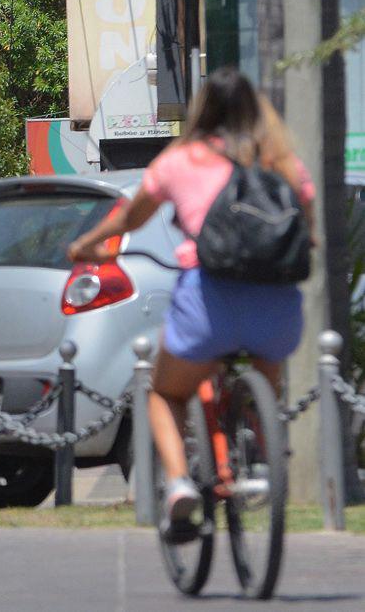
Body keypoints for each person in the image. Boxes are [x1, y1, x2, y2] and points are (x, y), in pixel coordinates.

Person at [68, 66, 314, 540]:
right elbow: (308, 220)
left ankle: (180, 483)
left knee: (166, 392)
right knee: (265, 367)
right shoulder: (280, 160)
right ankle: (264, 446)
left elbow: (129, 219)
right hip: (277, 309)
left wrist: (87, 246)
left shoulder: (180, 162)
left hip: (209, 304)